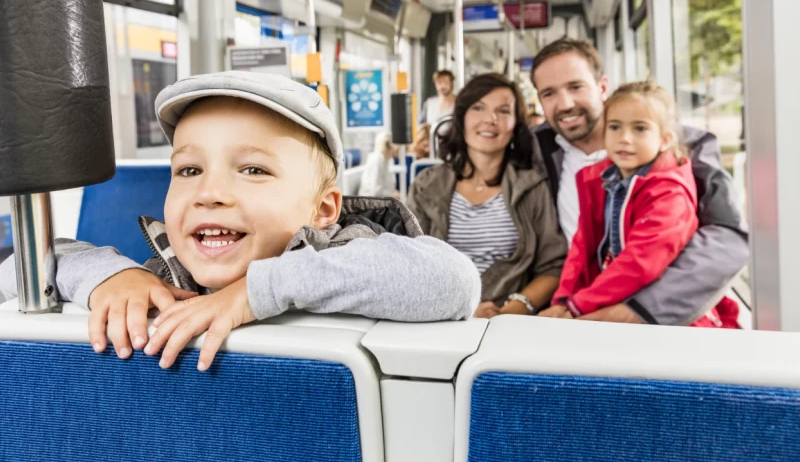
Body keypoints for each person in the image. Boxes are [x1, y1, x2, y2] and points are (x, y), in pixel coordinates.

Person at [0, 71, 481, 369]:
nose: (210, 193)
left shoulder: (342, 251)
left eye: (252, 170)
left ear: (324, 209)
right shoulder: (166, 281)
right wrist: (111, 276)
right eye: (189, 170)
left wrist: (255, 292)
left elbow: (455, 281)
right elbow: (17, 273)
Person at [531, 38, 747, 326]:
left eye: (576, 86)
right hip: (581, 303)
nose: (565, 103)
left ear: (602, 86)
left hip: (653, 309)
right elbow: (581, 246)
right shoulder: (537, 149)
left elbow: (728, 240)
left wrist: (636, 312)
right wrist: (563, 302)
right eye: (549, 93)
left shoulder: (680, 151)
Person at [408, 73, 567, 318]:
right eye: (479, 108)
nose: (490, 119)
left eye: (503, 111)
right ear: (461, 118)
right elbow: (409, 265)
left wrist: (516, 308)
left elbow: (553, 265)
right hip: (438, 319)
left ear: (516, 125)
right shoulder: (427, 186)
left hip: (509, 320)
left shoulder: (532, 187)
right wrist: (460, 310)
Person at [360, 131, 397, 197]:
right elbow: (376, 191)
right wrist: (392, 195)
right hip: (373, 201)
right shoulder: (377, 160)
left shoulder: (387, 160)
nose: (393, 150)